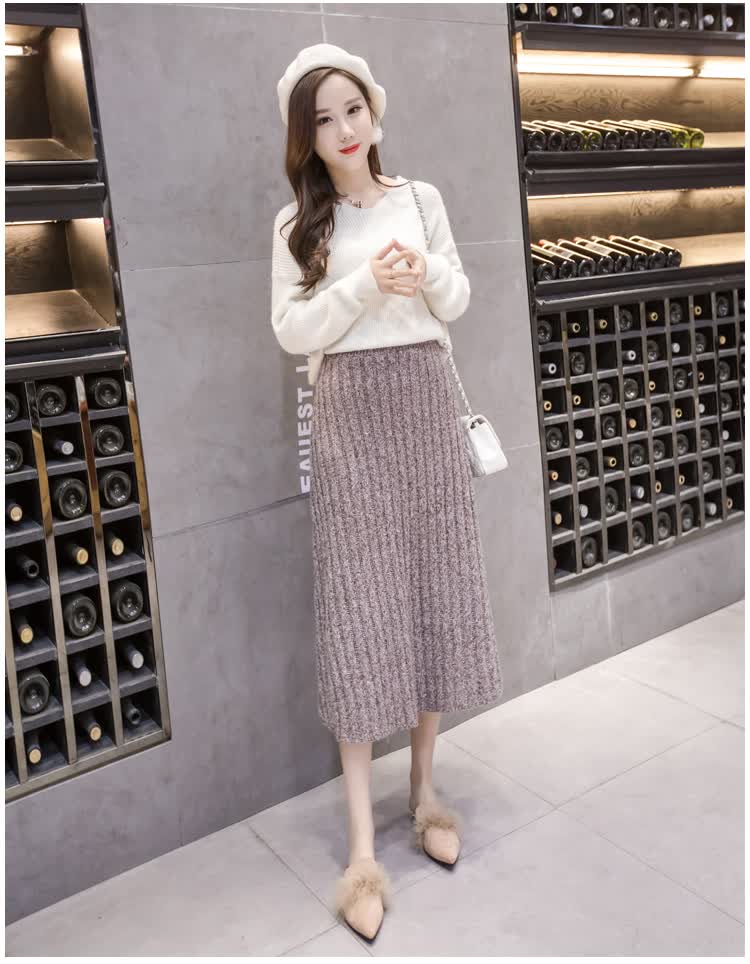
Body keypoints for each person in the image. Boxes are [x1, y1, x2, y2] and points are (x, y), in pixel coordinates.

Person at [272, 43, 503, 941]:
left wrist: (424, 276)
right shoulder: (298, 225)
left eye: (352, 109)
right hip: (351, 418)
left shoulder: (422, 199)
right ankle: (363, 851)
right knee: (361, 612)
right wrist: (364, 286)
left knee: (435, 591)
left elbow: (458, 298)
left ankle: (426, 792)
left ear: (374, 110)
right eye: (322, 119)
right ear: (304, 136)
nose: (342, 129)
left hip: (426, 403)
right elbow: (293, 331)